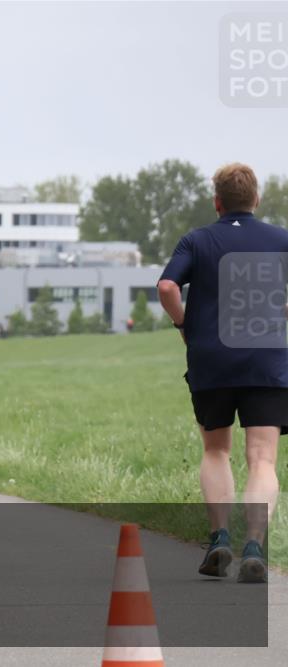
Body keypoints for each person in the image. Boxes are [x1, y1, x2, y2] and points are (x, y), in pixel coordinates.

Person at [158, 162, 288, 583]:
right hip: (266, 358)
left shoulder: (197, 240)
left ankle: (219, 540)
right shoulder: (280, 240)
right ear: (256, 199)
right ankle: (253, 545)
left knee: (216, 451)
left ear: (217, 201)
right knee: (262, 458)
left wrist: (184, 324)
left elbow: (166, 287)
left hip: (212, 358)